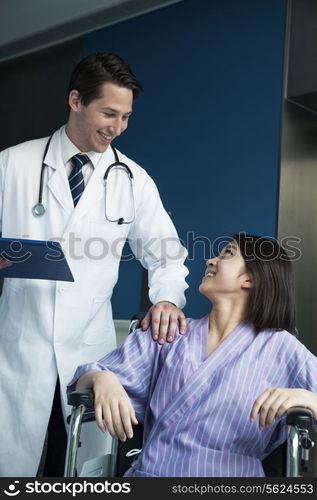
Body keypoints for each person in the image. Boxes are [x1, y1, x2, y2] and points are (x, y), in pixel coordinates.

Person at [0, 53, 188, 477]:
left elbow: (167, 253)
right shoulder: (12, 164)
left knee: (82, 472)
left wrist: (168, 300)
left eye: (126, 116)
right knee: (12, 467)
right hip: (17, 351)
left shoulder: (134, 180)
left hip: (91, 352)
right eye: (108, 113)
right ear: (75, 101)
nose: (118, 127)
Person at [69, 233, 317, 477]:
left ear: (250, 279)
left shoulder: (281, 348)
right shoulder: (169, 333)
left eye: (227, 254)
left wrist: (308, 399)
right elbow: (81, 383)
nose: (210, 261)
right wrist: (101, 378)